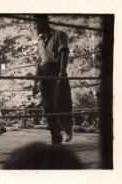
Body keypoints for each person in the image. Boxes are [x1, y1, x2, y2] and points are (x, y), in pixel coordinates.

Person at [32, 15, 73, 144]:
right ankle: (55, 137)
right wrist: (35, 81)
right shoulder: (39, 40)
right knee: (48, 105)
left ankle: (68, 127)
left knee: (60, 102)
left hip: (56, 70)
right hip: (44, 73)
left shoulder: (59, 35)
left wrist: (61, 73)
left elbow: (64, 54)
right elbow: (39, 61)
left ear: (43, 23)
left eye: (36, 24)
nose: (34, 27)